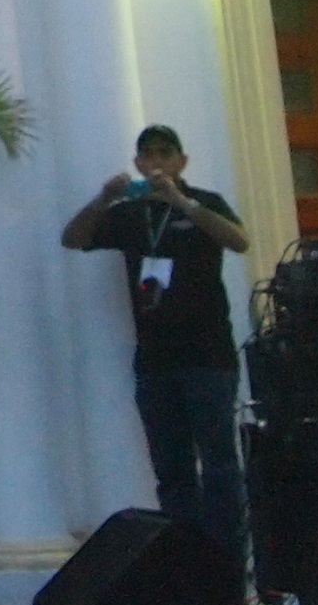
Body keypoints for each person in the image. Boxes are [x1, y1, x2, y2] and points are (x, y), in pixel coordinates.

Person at [61, 126, 249, 557]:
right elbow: (72, 239)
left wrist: (182, 203)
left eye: (166, 154)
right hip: (155, 361)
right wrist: (104, 199)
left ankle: (228, 563)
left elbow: (239, 241)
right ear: (138, 164)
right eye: (148, 156)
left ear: (182, 161)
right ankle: (185, 560)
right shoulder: (130, 213)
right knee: (172, 470)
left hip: (208, 358)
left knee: (220, 466)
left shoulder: (204, 203)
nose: (157, 162)